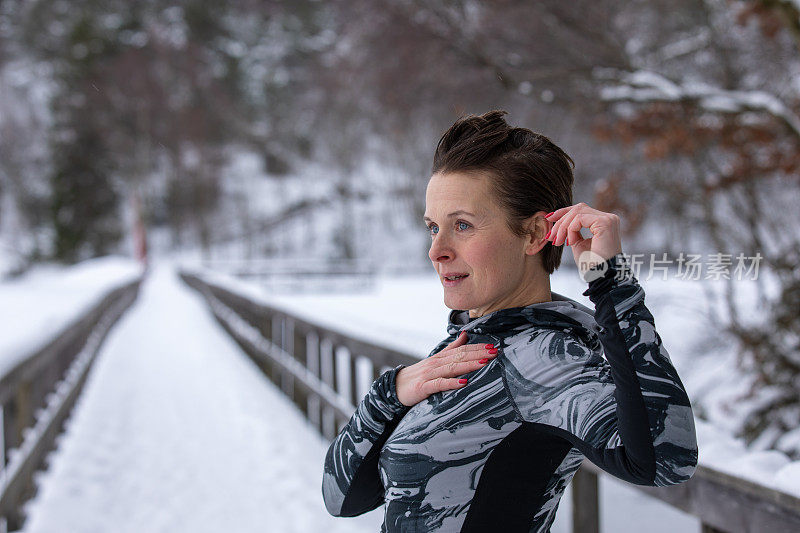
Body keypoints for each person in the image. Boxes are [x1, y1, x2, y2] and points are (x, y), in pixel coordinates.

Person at [322, 110, 698, 533]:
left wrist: (611, 283)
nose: (437, 251)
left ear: (535, 235)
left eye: (462, 225)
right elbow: (342, 498)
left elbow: (667, 459)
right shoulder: (473, 342)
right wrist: (392, 392)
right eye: (433, 228)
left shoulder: (545, 358)